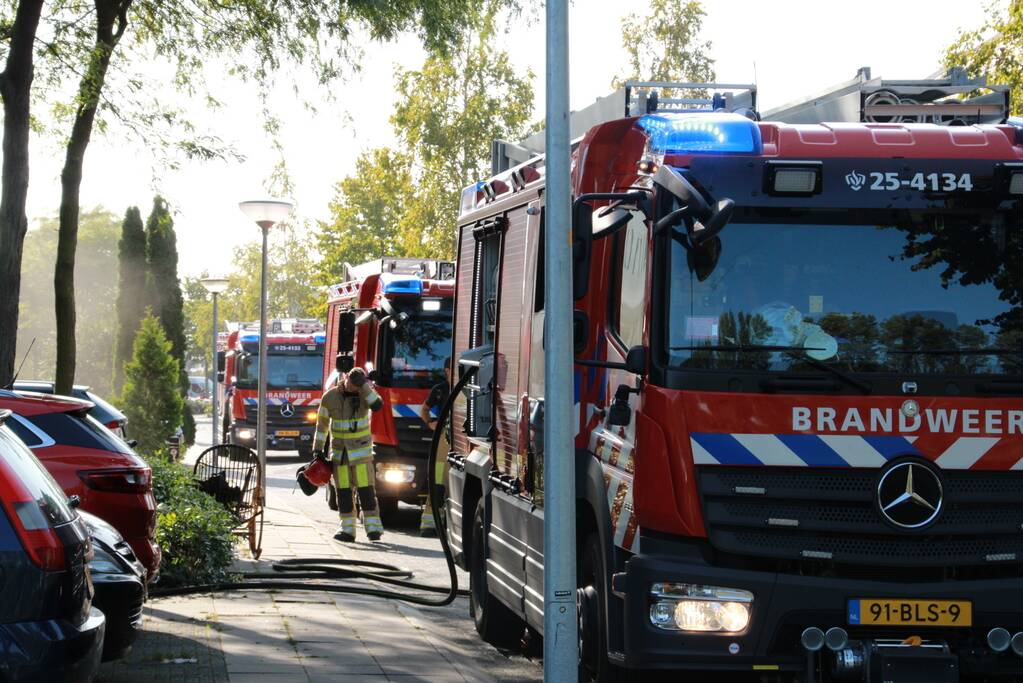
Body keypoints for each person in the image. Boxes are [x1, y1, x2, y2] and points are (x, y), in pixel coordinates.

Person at [314, 363, 385, 542]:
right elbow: (321, 425)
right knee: (343, 492)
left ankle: (373, 528)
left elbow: (377, 405)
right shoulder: (330, 397)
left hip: (361, 455)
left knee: (366, 491)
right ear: (346, 380)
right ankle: (347, 530)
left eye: (358, 385)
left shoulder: (364, 394)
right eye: (353, 384)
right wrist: (318, 449)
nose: (354, 388)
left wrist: (364, 386)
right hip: (340, 455)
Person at [418, 358, 451, 537]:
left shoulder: (466, 387)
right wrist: (431, 423)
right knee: (438, 481)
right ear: (447, 370)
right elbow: (424, 409)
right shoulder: (440, 390)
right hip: (443, 439)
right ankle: (429, 523)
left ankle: (444, 522)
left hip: (460, 438)